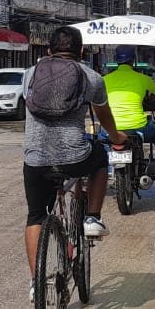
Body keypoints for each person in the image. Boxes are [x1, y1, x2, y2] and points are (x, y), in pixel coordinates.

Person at [22, 26, 126, 292]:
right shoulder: (91, 78)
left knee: (35, 216)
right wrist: (116, 136)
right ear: (81, 51)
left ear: (48, 51)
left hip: (36, 160)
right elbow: (103, 116)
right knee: (101, 156)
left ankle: (37, 282)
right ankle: (92, 217)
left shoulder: (29, 75)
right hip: (76, 157)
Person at [103, 45, 155, 160]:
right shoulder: (143, 78)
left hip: (111, 129)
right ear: (133, 60)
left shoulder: (104, 80)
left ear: (116, 60)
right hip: (138, 128)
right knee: (154, 129)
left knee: (99, 139)